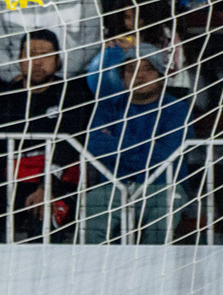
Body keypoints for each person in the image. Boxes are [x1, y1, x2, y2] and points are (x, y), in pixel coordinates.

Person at [0, 30, 95, 242]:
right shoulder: (4, 98)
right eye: (30, 54)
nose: (37, 62)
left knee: (43, 217)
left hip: (60, 181)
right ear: (19, 60)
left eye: (45, 55)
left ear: (58, 61)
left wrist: (47, 186)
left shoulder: (73, 94)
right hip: (12, 181)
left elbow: (68, 147)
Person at [82, 40, 191, 243]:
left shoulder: (177, 110)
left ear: (160, 75)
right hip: (113, 186)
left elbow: (165, 156)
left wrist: (118, 146)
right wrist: (146, 144)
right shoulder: (107, 107)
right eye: (131, 70)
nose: (139, 76)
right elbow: (96, 146)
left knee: (162, 222)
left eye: (148, 69)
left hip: (161, 187)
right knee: (92, 207)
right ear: (122, 76)